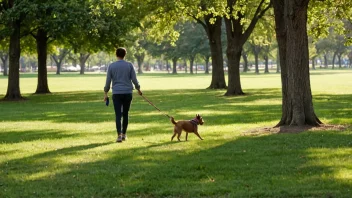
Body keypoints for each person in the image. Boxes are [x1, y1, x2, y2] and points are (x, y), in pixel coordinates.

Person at [104, 47, 142, 143]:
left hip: (116, 93)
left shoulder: (111, 66)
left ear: (116, 54)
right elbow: (134, 79)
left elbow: (108, 81)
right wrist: (138, 88)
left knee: (118, 115)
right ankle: (124, 134)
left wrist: (105, 92)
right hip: (127, 92)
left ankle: (119, 135)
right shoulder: (129, 65)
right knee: (125, 114)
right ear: (125, 54)